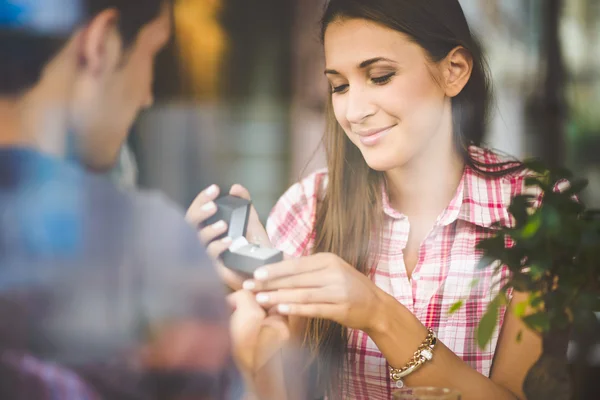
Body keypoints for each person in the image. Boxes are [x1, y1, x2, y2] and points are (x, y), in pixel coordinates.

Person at [189, 0, 544, 399]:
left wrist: (379, 313)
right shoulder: (308, 210)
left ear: (454, 70)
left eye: (380, 76)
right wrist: (260, 315)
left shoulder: (535, 212)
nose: (353, 111)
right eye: (339, 86)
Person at [0, 1, 283, 398]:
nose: (148, 95)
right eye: (152, 53)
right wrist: (245, 358)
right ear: (101, 44)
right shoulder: (142, 248)